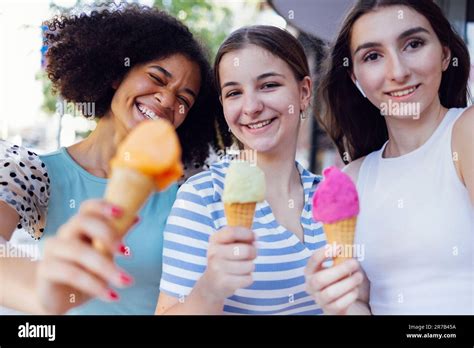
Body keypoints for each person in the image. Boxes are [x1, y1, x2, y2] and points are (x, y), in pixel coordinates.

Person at [0, 3, 230, 315]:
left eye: (183, 99)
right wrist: (41, 289)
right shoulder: (32, 171)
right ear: (116, 75)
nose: (166, 100)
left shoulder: (187, 191)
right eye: (157, 78)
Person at [306, 0, 473, 314]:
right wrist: (336, 302)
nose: (398, 71)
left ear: (445, 54)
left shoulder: (467, 133)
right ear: (355, 78)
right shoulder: (350, 180)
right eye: (372, 56)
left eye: (414, 44)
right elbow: (359, 302)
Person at [155, 25, 326, 315]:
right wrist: (210, 288)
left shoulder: (329, 194)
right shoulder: (202, 197)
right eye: (234, 92)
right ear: (223, 105)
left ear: (304, 91)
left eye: (268, 85)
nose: (251, 107)